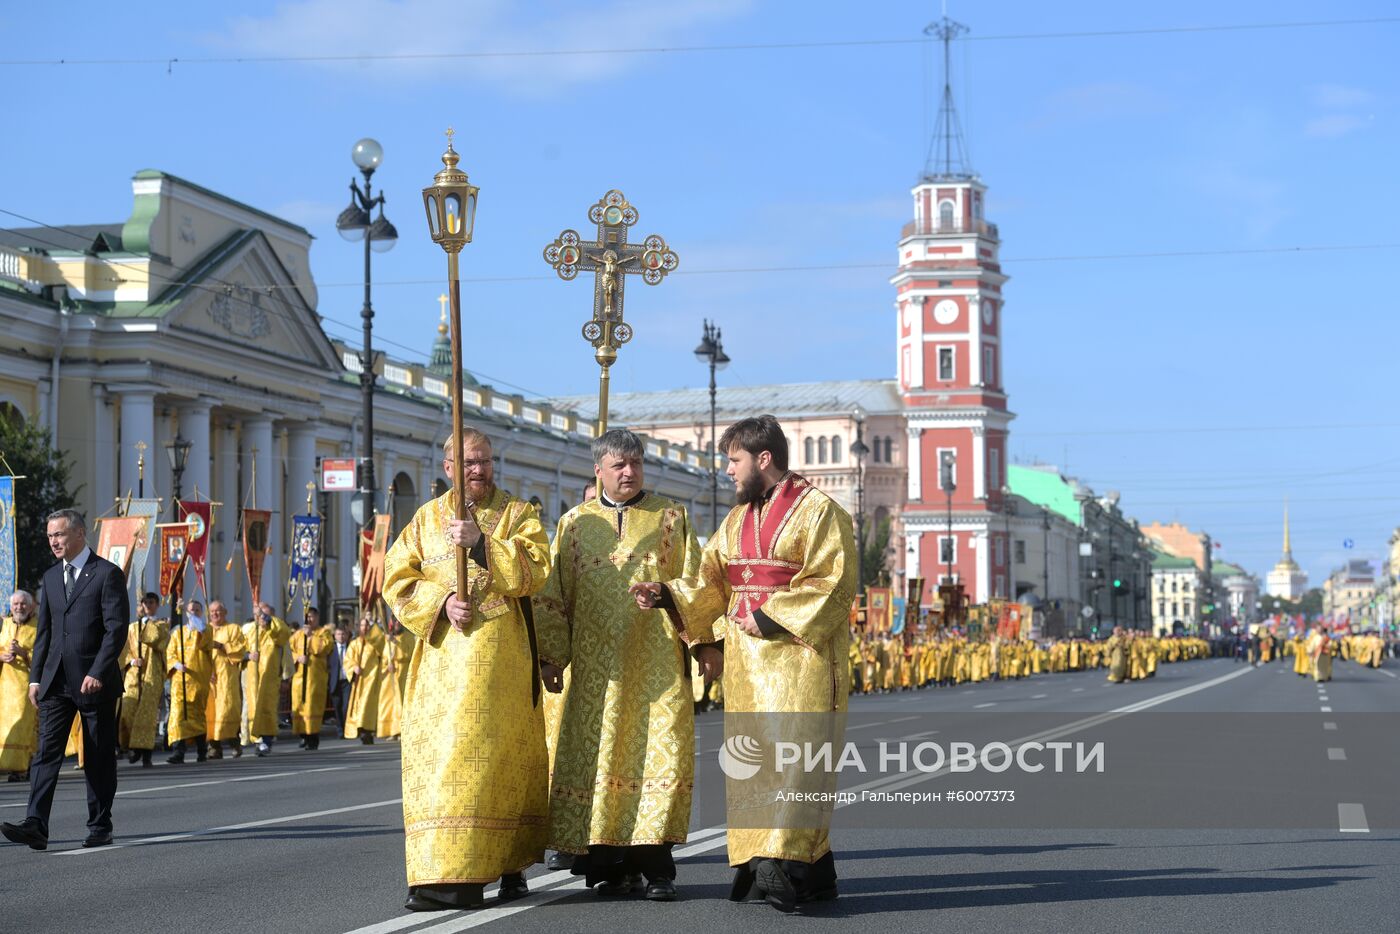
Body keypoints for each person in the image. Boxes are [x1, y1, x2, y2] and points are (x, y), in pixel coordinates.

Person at [631, 415, 856, 913]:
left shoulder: (821, 511)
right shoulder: (735, 520)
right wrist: (668, 593)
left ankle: (783, 862)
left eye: (734, 460)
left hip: (801, 658)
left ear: (764, 459)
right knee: (754, 764)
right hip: (748, 665)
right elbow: (712, 581)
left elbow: (833, 583)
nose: (727, 471)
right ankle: (787, 870)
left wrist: (770, 616)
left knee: (795, 761)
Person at [535, 429, 717, 901]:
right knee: (601, 763)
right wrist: (551, 656)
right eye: (618, 465)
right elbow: (554, 596)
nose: (629, 471)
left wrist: (700, 640)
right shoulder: (573, 524)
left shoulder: (671, 519)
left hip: (655, 665)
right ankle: (610, 868)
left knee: (659, 756)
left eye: (635, 463)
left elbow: (698, 582)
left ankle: (657, 869)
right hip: (597, 674)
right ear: (598, 470)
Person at [383, 427, 550, 911]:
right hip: (441, 666)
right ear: (449, 468)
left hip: (500, 664)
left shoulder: (519, 514)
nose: (479, 470)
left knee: (494, 765)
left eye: (486, 461)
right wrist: (441, 602)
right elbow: (397, 577)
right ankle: (439, 872)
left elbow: (537, 571)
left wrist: (481, 543)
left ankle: (496, 867)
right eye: (469, 463)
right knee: (438, 767)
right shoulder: (424, 519)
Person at [2, 509, 129, 851]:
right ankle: (36, 824)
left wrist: (98, 671)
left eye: (58, 535)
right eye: (50, 537)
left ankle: (100, 824)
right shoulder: (51, 578)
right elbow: (45, 633)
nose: (53, 542)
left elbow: (116, 630)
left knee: (98, 755)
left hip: (94, 682)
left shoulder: (107, 574)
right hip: (56, 682)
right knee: (46, 753)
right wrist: (35, 679)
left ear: (79, 534)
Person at [118, 592, 169, 768]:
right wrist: (132, 661)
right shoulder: (132, 627)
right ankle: (131, 747)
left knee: (147, 715)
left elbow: (155, 640)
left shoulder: (161, 625)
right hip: (134, 674)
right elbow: (124, 650)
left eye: (151, 602)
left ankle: (146, 753)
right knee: (127, 711)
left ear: (156, 605)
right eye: (145, 602)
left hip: (151, 674)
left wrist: (147, 623)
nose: (148, 605)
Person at [166, 599, 213, 764]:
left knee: (197, 716)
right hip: (180, 682)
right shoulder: (178, 632)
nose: (193, 612)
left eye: (197, 610)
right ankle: (179, 751)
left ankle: (201, 750)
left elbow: (207, 644)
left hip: (198, 680)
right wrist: (177, 664)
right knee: (178, 715)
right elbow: (170, 653)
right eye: (191, 609)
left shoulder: (206, 630)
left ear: (201, 612)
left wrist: (200, 628)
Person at [242, 602, 290, 756]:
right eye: (260, 614)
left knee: (267, 707)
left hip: (269, 675)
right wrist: (247, 655)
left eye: (266, 615)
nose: (262, 618)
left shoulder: (276, 627)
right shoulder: (248, 629)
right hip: (251, 675)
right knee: (253, 706)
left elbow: (282, 636)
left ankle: (266, 740)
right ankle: (257, 740)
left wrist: (285, 677)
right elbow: (237, 647)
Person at [1, 590, 39, 782]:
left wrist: (24, 653)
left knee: (24, 727)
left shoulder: (38, 626)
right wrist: (1, 656)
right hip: (4, 686)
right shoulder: (5, 625)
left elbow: (45, 656)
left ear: (31, 606)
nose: (19, 607)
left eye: (23, 604)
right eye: (15, 604)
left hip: (26, 686)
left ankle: (22, 768)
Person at [206, 600, 247, 759]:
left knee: (227, 711)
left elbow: (239, 649)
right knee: (211, 713)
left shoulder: (233, 629)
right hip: (209, 677)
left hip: (226, 676)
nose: (215, 614)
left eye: (218, 611)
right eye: (212, 611)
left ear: (225, 612)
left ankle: (233, 742)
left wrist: (222, 646)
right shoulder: (206, 630)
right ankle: (214, 747)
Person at [291, 608, 334, 750]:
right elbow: (289, 650)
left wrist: (310, 637)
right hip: (299, 677)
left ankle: (313, 736)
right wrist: (297, 657)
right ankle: (303, 735)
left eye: (312, 617)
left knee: (312, 706)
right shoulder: (297, 634)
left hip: (315, 678)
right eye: (307, 617)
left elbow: (325, 648)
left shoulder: (323, 633)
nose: (309, 620)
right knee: (299, 705)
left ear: (317, 617)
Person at [343, 616, 382, 744]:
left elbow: (382, 648)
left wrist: (373, 622)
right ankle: (361, 729)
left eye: (366, 626)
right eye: (362, 625)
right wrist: (354, 667)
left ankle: (367, 730)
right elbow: (348, 660)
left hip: (371, 680)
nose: (364, 628)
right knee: (358, 706)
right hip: (359, 681)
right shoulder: (354, 644)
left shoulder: (374, 643)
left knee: (367, 706)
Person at [376, 617, 413, 741]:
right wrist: (388, 665)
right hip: (390, 675)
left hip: (404, 672)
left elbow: (410, 654)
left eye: (398, 621)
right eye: (394, 621)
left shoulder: (408, 637)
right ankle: (392, 730)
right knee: (390, 704)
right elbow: (384, 658)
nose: (397, 624)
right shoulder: (388, 640)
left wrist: (397, 646)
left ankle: (403, 730)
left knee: (402, 702)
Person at [326, 624, 352, 736]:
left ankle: (346, 729)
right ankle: (340, 729)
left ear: (346, 635)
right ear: (334, 636)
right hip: (334, 681)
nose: (341, 636)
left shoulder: (351, 647)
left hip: (347, 681)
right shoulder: (330, 648)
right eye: (338, 634)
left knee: (346, 706)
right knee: (337, 706)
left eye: (343, 634)